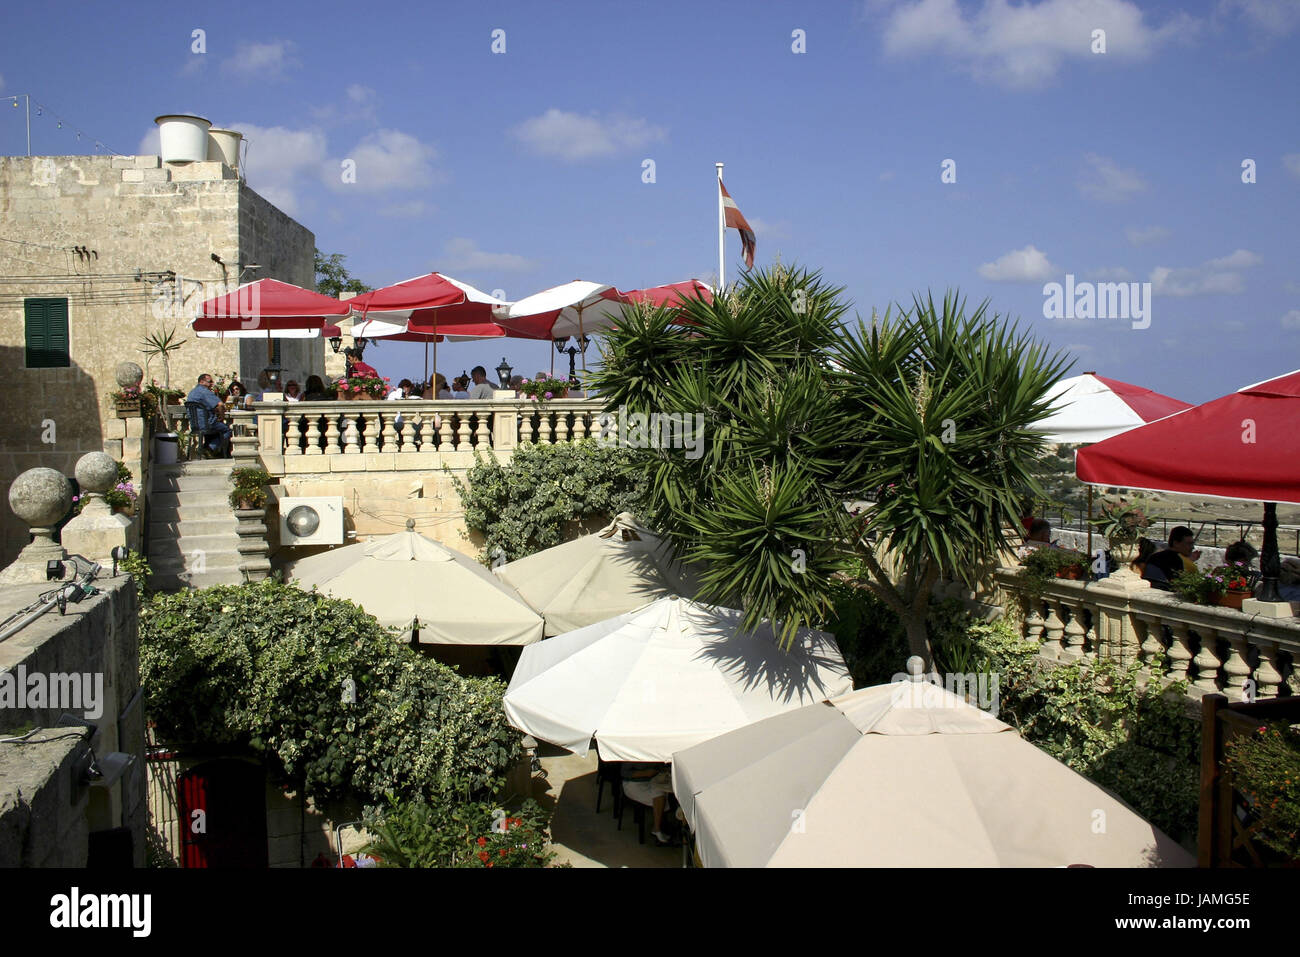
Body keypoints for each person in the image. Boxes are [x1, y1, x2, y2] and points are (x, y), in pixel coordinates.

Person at [621, 762, 674, 844]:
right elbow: (624, 772)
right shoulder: (633, 753)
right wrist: (645, 773)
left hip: (651, 780)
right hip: (633, 784)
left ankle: (660, 824)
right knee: (659, 797)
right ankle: (657, 829)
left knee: (663, 791)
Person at [185, 373, 231, 458]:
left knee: (214, 431)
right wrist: (222, 416)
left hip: (195, 425)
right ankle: (210, 449)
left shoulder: (192, 392)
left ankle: (208, 451)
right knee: (227, 429)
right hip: (207, 424)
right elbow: (220, 404)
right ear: (202, 382)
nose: (212, 384)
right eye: (210, 382)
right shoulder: (204, 391)